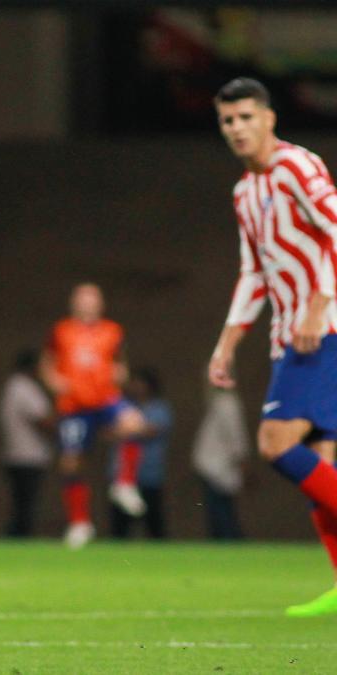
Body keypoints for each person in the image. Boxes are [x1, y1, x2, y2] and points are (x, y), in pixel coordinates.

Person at [207, 77, 337, 616]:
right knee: (322, 469)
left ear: (269, 119)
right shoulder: (246, 191)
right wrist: (227, 341)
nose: (237, 128)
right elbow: (253, 272)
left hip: (325, 329)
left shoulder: (297, 168)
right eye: (227, 121)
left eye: (245, 117)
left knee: (276, 442)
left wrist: (318, 302)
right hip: (291, 337)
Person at [40, 283, 146, 548]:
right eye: (82, 299)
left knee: (134, 423)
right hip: (75, 403)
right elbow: (47, 363)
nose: (87, 304)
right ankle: (80, 523)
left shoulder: (112, 331)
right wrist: (54, 381)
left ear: (100, 304)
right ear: (74, 303)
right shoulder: (61, 330)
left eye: (92, 299)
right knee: (71, 462)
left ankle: (124, 483)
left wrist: (119, 373)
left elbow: (120, 362)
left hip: (105, 398)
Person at [108, 367, 171, 540]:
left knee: (154, 523)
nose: (135, 386)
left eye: (140, 382)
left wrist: (128, 430)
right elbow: (108, 432)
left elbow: (151, 430)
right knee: (119, 526)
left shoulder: (159, 408)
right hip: (121, 475)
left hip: (149, 475)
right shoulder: (122, 407)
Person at [0, 348, 55, 538]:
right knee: (25, 507)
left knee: (22, 505)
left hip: (18, 455)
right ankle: (18, 541)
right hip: (27, 456)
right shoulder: (24, 387)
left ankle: (17, 538)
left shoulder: (14, 385)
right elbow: (44, 421)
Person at [192, 382, 251, 540]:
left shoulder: (228, 403)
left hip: (220, 467)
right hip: (213, 468)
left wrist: (243, 464)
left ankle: (233, 549)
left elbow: (236, 437)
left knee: (222, 516)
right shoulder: (218, 402)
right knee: (219, 515)